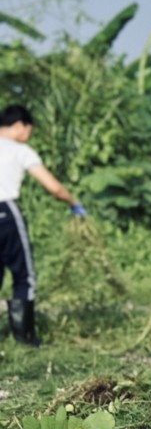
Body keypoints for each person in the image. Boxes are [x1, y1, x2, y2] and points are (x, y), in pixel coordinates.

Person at [0, 105, 87, 347]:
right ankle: (25, 340)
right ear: (19, 126)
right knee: (24, 275)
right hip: (5, 211)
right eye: (29, 131)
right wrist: (74, 203)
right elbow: (54, 187)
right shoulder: (20, 150)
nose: (29, 136)